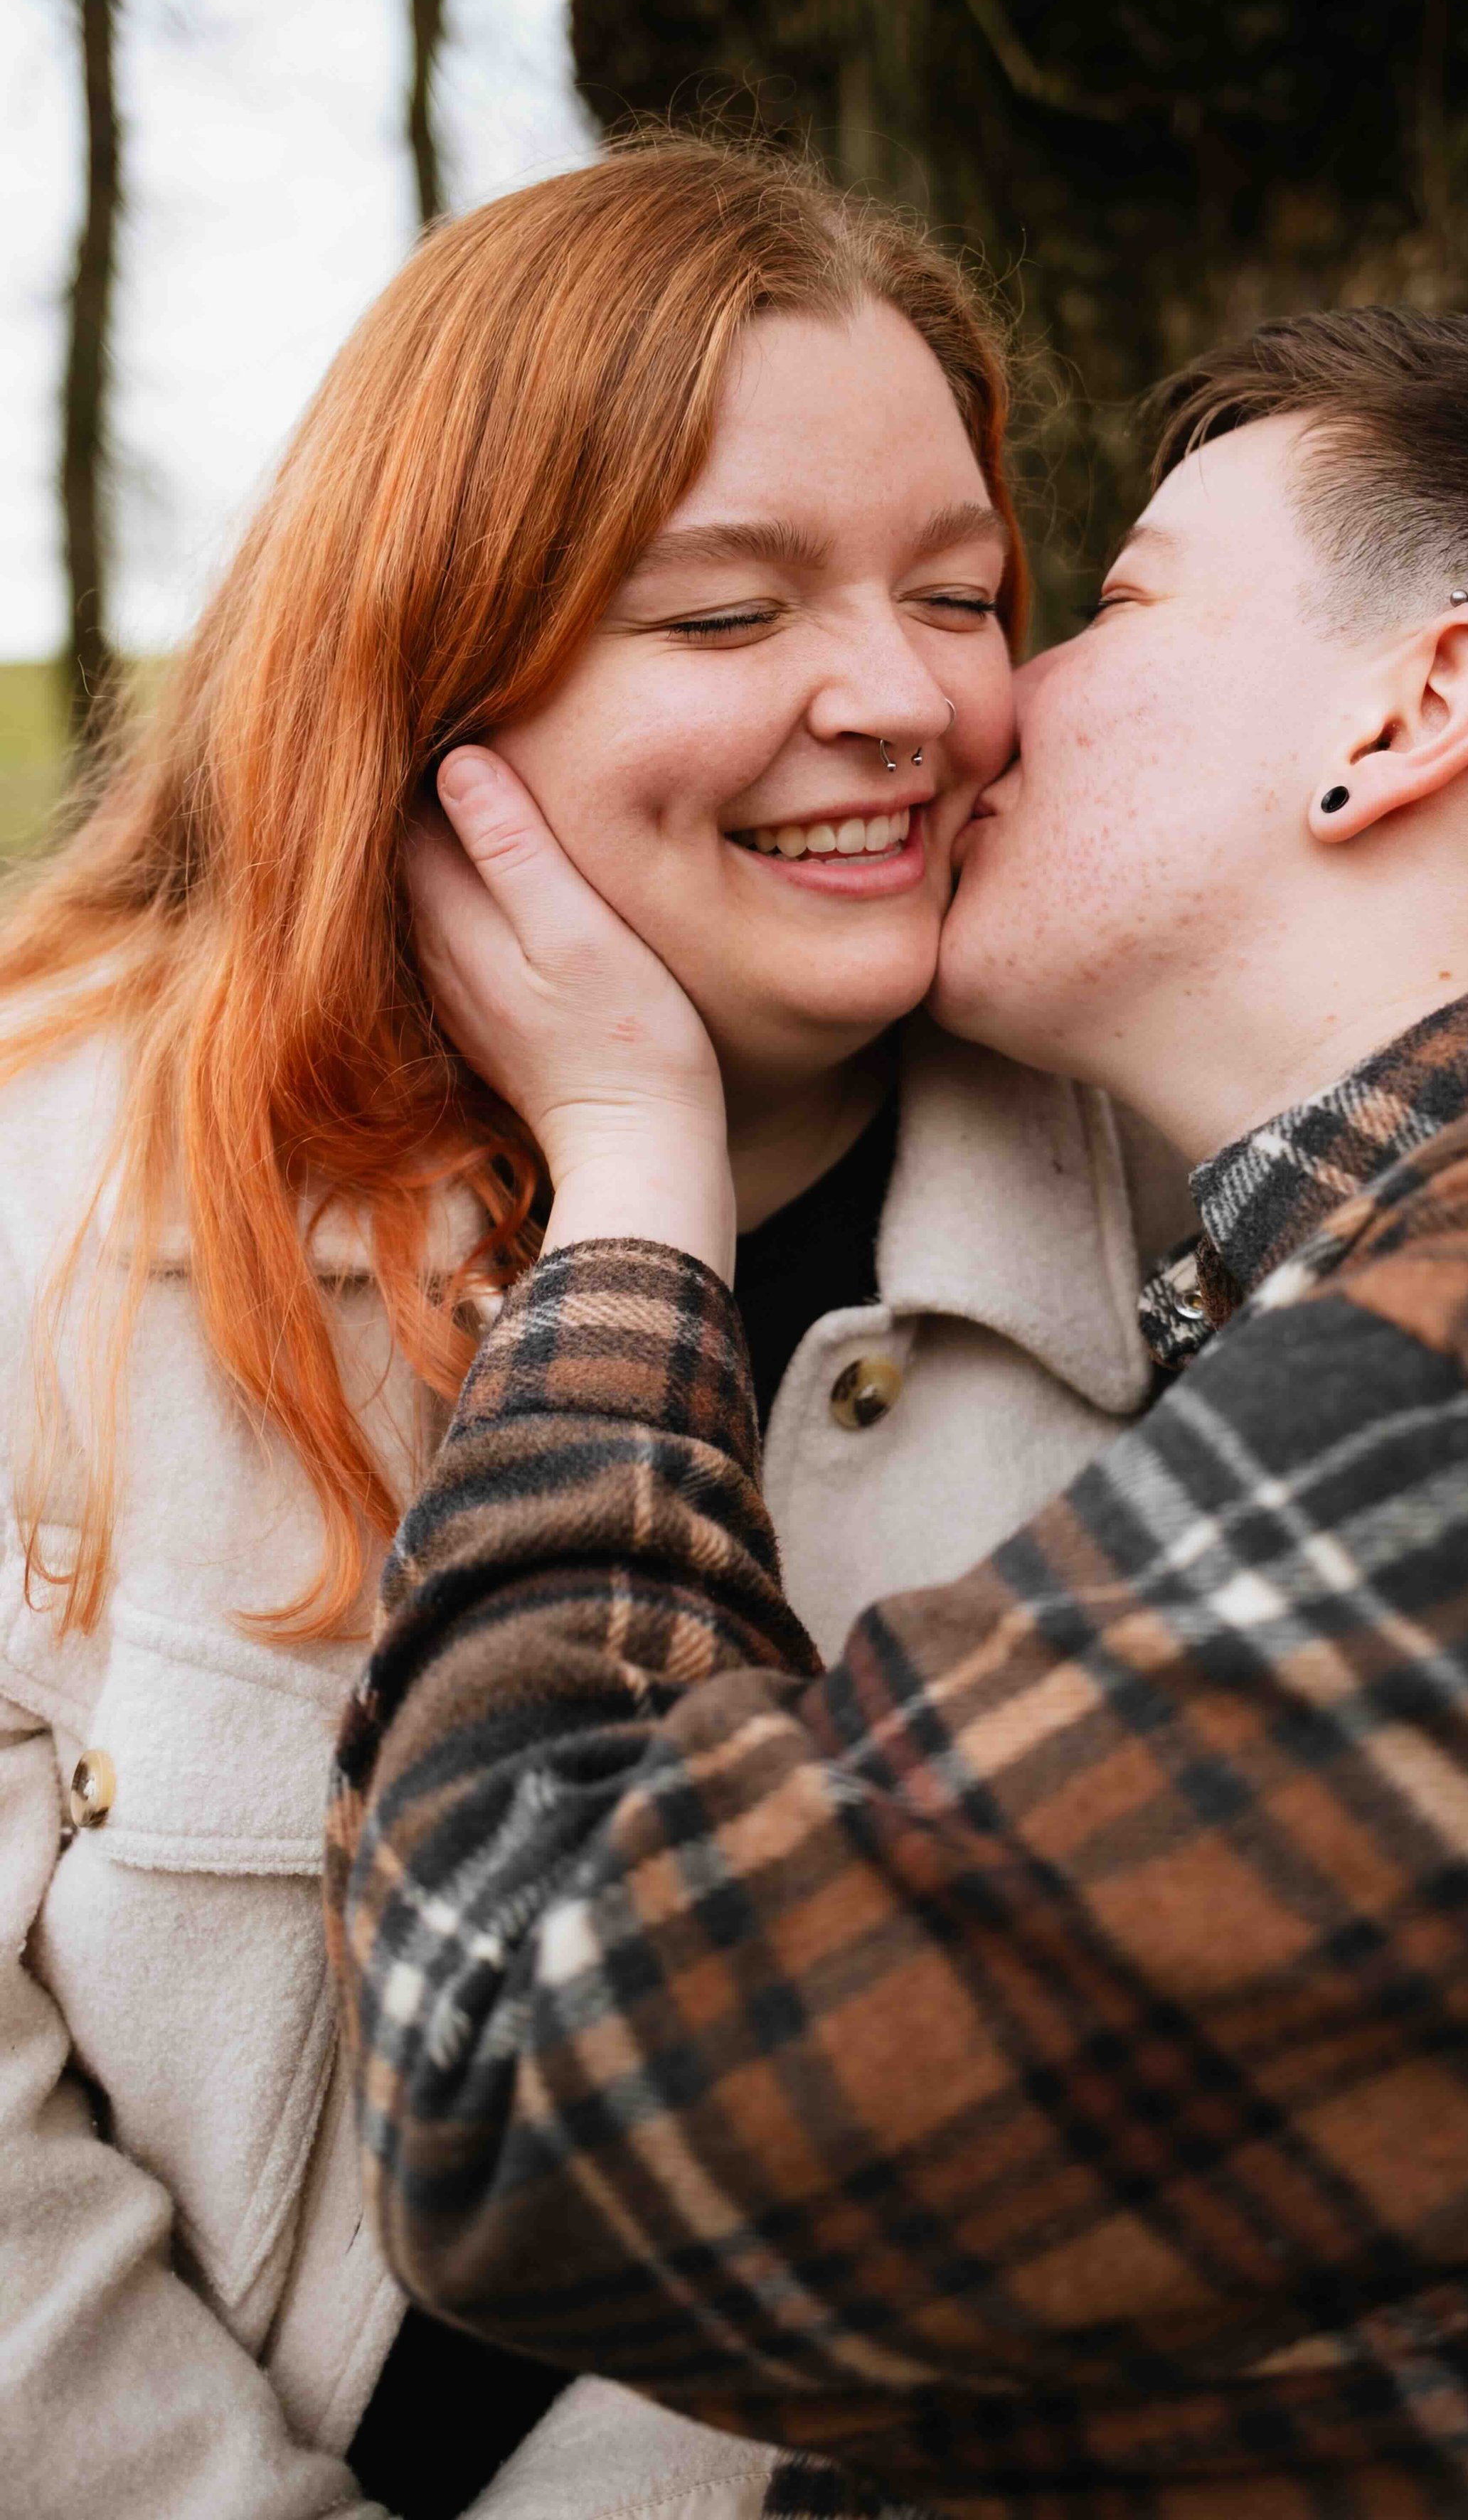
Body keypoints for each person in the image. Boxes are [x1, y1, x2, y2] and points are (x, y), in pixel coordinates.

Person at [330, 306, 1468, 2519]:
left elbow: (525, 2072)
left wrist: (631, 1183)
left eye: (1097, 603)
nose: (959, 703)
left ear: (1408, 715)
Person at [0, 136, 1186, 2520]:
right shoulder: (57, 1179)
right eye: (724, 618)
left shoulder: (1182, 1239)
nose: (896, 702)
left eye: (958, 595)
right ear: (427, 671)